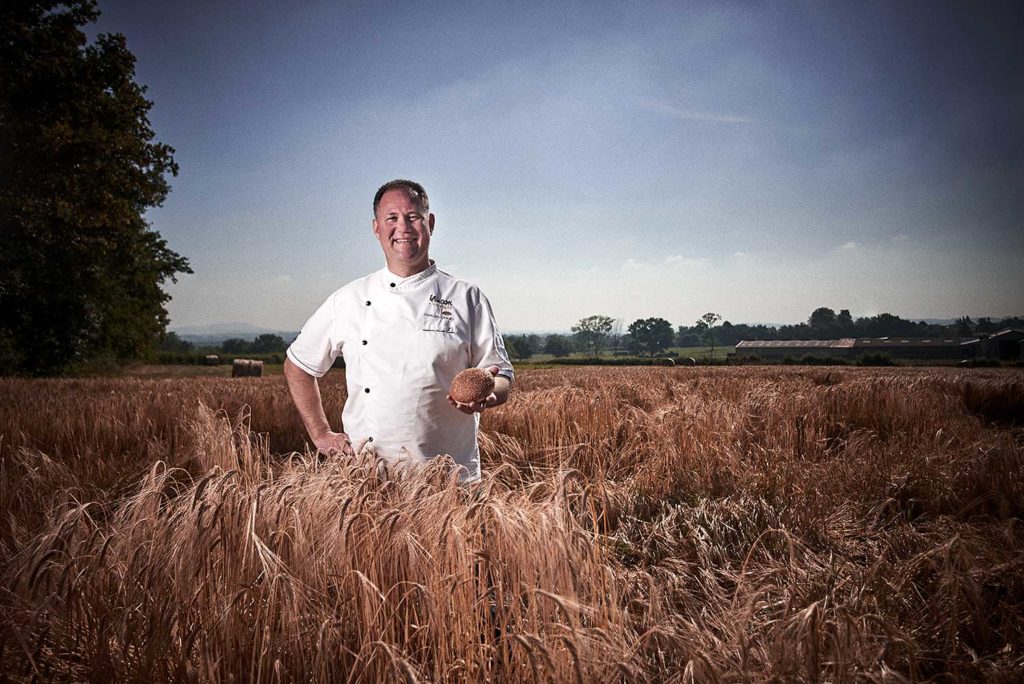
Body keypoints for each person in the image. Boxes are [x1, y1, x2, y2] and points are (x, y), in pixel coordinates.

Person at [283, 179, 514, 482]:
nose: (403, 227)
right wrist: (321, 433)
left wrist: (489, 396)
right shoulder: (348, 299)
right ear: (376, 227)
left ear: (430, 223)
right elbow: (297, 365)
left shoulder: (465, 296)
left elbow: (501, 377)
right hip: (365, 479)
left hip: (448, 479)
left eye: (413, 217)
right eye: (391, 218)